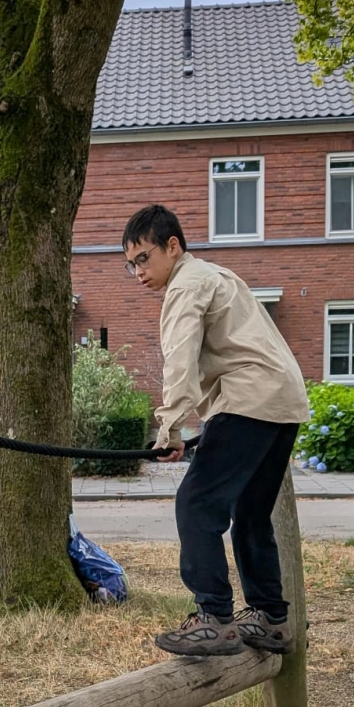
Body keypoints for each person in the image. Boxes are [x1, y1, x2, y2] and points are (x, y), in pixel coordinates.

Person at [123, 204, 311, 656]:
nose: (138, 272)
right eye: (130, 265)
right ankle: (271, 619)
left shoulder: (186, 285)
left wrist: (169, 429)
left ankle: (214, 619)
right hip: (282, 403)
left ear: (172, 245)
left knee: (196, 503)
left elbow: (181, 360)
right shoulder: (217, 276)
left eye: (144, 258)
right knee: (250, 511)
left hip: (247, 400)